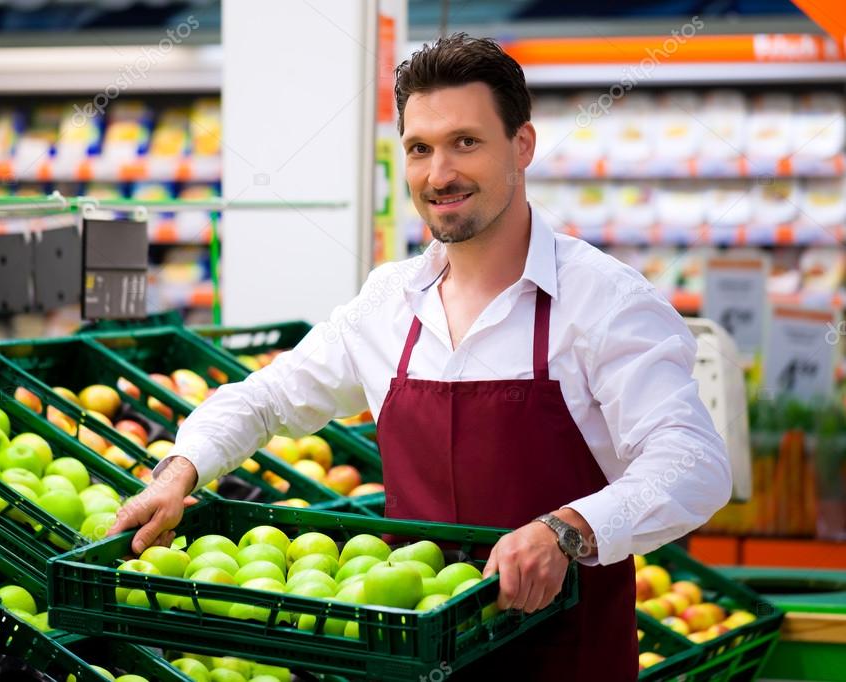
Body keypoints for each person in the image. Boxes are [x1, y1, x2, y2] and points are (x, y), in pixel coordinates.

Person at [110, 33, 732, 678]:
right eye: (420, 149)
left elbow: (693, 463)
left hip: (564, 658)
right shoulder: (389, 301)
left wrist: (566, 530)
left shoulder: (603, 299)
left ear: (522, 145)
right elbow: (267, 398)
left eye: (467, 142)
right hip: (414, 659)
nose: (440, 174)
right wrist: (180, 471)